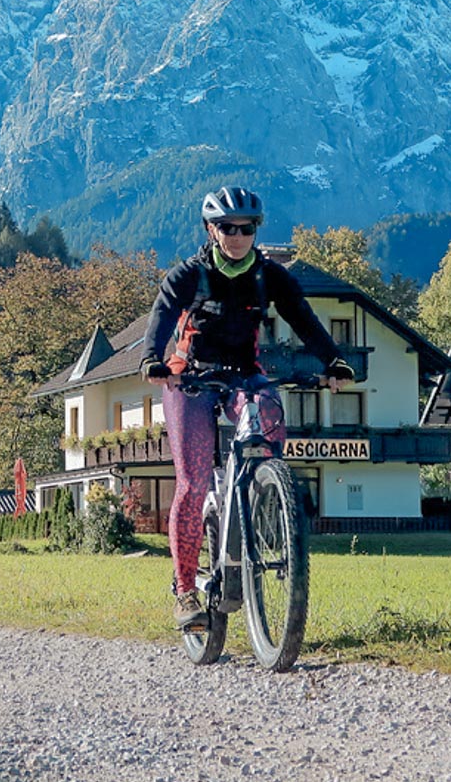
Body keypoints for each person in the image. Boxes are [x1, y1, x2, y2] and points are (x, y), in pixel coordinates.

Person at [141, 186, 353, 630]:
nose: (237, 236)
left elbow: (303, 318)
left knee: (270, 410)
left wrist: (333, 359)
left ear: (257, 230)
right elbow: (162, 315)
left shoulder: (268, 275)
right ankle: (184, 591)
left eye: (247, 228)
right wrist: (152, 360)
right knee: (194, 481)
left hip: (243, 372)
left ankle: (263, 496)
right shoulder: (190, 275)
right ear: (211, 230)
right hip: (190, 377)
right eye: (227, 228)